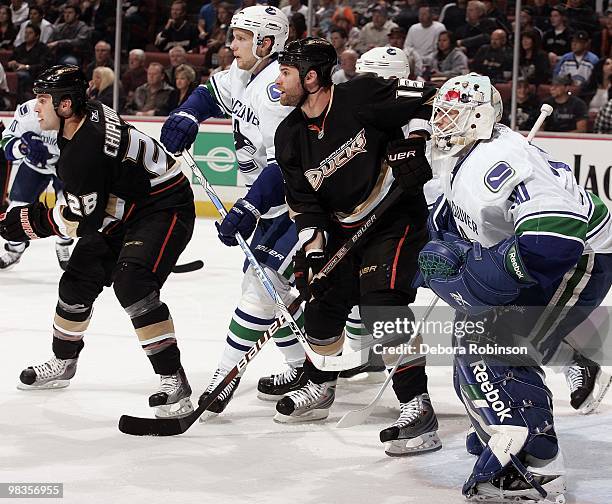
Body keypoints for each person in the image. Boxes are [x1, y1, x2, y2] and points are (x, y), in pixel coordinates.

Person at [422, 72, 612, 501]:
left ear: (477, 118)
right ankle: (499, 430)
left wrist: (482, 273)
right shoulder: (459, 156)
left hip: (584, 256)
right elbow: (452, 217)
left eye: (450, 114)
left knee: (499, 346)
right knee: (472, 335)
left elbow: (556, 238)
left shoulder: (499, 159)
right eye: (438, 112)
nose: (439, 123)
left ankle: (537, 470)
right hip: (541, 253)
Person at [274, 37, 442, 457]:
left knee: (381, 304)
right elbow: (304, 203)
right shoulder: (289, 134)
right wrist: (314, 252)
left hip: (395, 215)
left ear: (311, 78)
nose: (278, 81)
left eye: (286, 73)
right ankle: (320, 385)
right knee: (321, 305)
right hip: (344, 229)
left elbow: (430, 95)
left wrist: (415, 140)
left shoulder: (362, 95)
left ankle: (417, 407)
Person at [0, 65, 196, 420]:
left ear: (64, 105)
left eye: (43, 100)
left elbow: (76, 221)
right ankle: (63, 362)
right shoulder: (82, 120)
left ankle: (173, 379)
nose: (36, 107)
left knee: (133, 284)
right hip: (124, 205)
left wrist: (21, 223)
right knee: (76, 282)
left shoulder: (85, 149)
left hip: (163, 208)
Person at [160, 6, 308, 421]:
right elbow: (211, 92)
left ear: (266, 42)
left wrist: (250, 203)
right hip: (269, 204)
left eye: (240, 38)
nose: (231, 44)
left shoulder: (278, 86)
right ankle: (304, 369)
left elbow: (289, 165)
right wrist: (190, 112)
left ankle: (223, 377)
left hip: (297, 205)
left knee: (261, 289)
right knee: (268, 290)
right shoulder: (244, 74)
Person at [0, 98, 73, 270]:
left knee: (69, 209)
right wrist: (24, 148)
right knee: (15, 210)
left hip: (65, 165)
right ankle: (15, 249)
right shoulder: (28, 110)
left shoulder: (74, 110)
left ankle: (63, 245)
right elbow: (5, 141)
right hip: (34, 166)